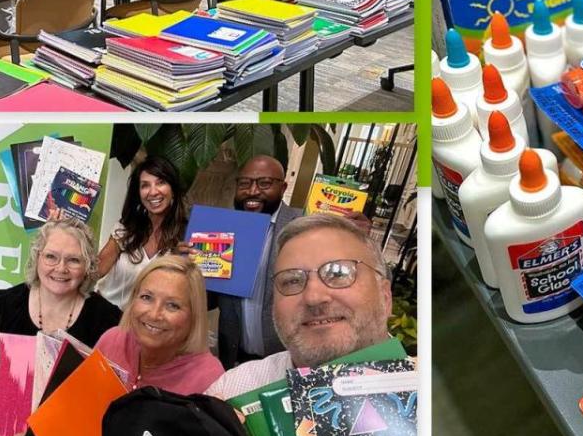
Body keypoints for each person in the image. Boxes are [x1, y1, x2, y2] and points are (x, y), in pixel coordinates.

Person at [32, 256, 225, 436]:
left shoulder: (208, 376)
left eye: (173, 305)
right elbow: (75, 415)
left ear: (193, 316)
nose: (155, 314)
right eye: (146, 297)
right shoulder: (113, 339)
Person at [0, 219, 122, 436]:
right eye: (51, 256)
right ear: (37, 258)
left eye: (73, 260)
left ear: (88, 267)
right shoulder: (1, 307)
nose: (60, 269)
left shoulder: (108, 320)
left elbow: (112, 398)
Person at [206, 213, 394, 400]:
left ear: (385, 296)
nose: (313, 297)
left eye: (338, 273)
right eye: (292, 280)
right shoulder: (232, 391)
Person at [217, 156, 373, 369]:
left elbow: (362, 281)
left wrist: (361, 244)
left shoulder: (307, 227)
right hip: (234, 358)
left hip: (290, 363)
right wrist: (189, 267)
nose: (252, 191)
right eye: (244, 183)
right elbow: (211, 297)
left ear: (283, 188)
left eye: (264, 183)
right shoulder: (222, 229)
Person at [95, 155, 190, 309]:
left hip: (148, 325)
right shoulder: (126, 228)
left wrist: (179, 261)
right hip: (106, 317)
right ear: (138, 194)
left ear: (173, 189)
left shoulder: (187, 237)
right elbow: (95, 270)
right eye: (145, 185)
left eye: (161, 182)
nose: (153, 192)